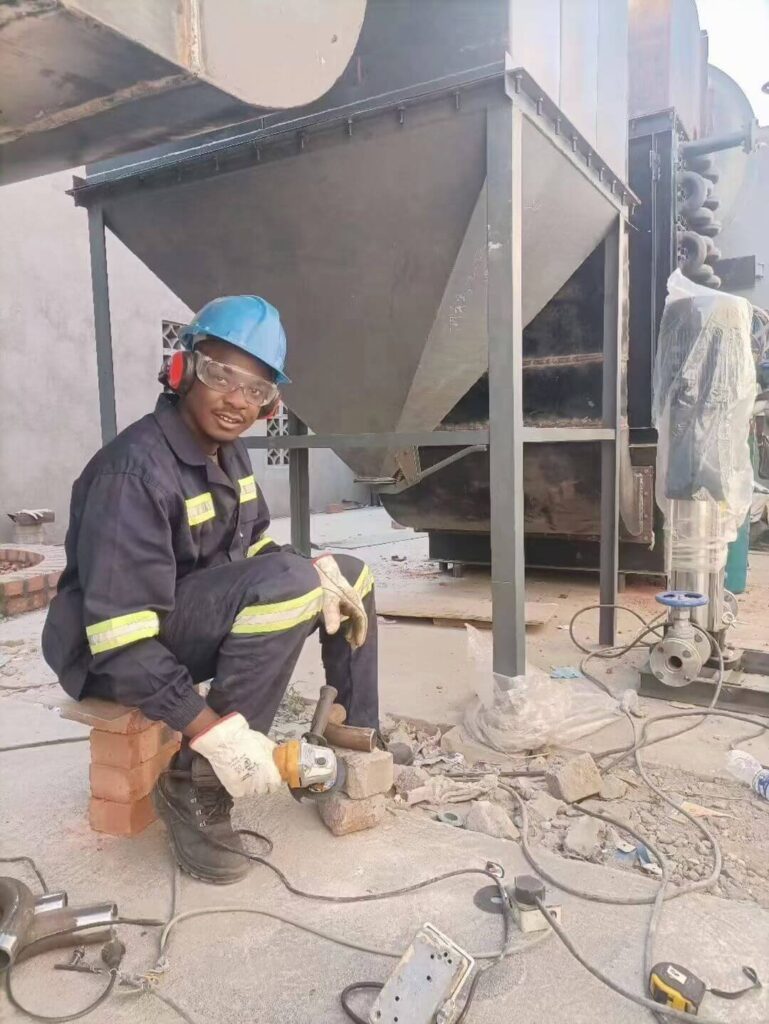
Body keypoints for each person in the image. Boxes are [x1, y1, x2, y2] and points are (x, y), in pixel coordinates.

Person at [42, 295, 378, 884]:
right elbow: (120, 639)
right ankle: (195, 783)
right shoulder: (134, 472)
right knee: (293, 582)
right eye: (221, 374)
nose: (237, 401)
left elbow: (249, 554)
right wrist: (213, 732)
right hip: (109, 648)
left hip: (183, 615)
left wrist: (315, 571)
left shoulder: (229, 455)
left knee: (347, 572)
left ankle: (352, 731)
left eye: (257, 390)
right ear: (183, 369)